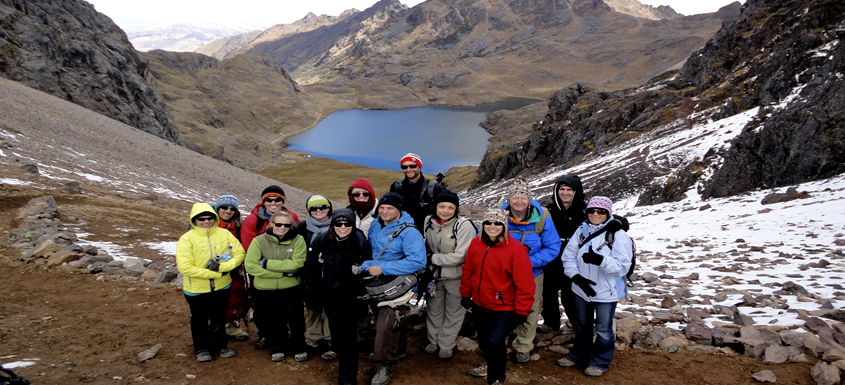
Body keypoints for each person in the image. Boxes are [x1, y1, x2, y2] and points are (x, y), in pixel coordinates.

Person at [557, 197, 632, 377]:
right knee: (582, 325)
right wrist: (576, 277)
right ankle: (579, 354)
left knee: (604, 329)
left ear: (608, 213)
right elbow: (568, 257)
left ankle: (600, 361)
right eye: (592, 211)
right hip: (582, 289)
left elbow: (623, 266)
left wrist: (601, 260)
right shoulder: (581, 231)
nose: (595, 214)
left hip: (607, 291)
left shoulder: (618, 235)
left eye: (600, 211)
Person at [461, 209, 535, 385]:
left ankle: (496, 378)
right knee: (485, 341)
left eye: (497, 223)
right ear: (482, 225)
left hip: (504, 306)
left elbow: (525, 284)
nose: (492, 226)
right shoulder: (476, 243)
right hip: (480, 303)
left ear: (504, 226)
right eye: (488, 222)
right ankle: (490, 365)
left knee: (496, 341)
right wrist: (465, 294)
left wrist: (522, 310)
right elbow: (468, 270)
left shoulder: (516, 250)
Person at [360, 192, 426, 385]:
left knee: (386, 322)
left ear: (399, 210)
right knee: (393, 319)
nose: (385, 211)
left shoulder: (409, 232)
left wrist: (383, 267)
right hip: (376, 282)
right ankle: (399, 349)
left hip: (398, 283)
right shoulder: (375, 224)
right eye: (382, 207)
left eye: (390, 208)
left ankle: (385, 364)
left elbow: (418, 261)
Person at [304, 209, 373, 385]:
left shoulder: (360, 242)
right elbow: (311, 267)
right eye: (338, 223)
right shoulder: (322, 241)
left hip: (350, 297)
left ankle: (347, 378)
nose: (343, 227)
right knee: (335, 327)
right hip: (328, 295)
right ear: (333, 225)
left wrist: (360, 294)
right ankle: (337, 349)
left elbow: (366, 270)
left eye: (347, 223)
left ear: (353, 224)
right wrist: (312, 293)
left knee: (348, 336)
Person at [499, 177, 561, 363]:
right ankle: (498, 341)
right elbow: (488, 241)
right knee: (501, 305)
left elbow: (553, 247)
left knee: (531, 308)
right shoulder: (499, 216)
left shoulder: (542, 218)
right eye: (515, 197)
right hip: (504, 273)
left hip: (532, 273)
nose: (519, 201)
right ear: (509, 200)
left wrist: (527, 261)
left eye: (523, 197)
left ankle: (523, 346)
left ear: (529, 200)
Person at [175, 203, 246, 362]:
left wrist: (222, 267)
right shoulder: (187, 239)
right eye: (201, 219)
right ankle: (201, 348)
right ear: (194, 220)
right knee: (199, 318)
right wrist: (215, 273)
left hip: (222, 286)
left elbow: (239, 253)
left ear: (214, 218)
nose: (206, 221)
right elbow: (185, 267)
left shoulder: (224, 234)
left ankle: (221, 345)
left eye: (209, 218)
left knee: (218, 316)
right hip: (196, 289)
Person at [244, 211, 309, 363]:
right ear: (271, 224)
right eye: (278, 224)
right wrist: (280, 274)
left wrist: (267, 263)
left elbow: (297, 264)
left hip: (291, 288)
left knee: (296, 319)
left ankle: (298, 347)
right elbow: (251, 266)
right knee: (273, 319)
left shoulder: (298, 240)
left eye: (287, 225)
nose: (282, 227)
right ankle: (278, 348)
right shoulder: (259, 241)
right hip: (266, 289)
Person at [241, 185, 300, 349]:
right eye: (269, 199)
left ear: (283, 201)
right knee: (261, 308)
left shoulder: (291, 217)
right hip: (263, 271)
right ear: (263, 201)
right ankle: (265, 335)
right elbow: (249, 247)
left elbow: (296, 241)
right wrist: (274, 268)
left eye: (277, 199)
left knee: (285, 307)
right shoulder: (252, 220)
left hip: (282, 269)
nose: (273, 202)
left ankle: (283, 335)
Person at [421, 190, 475, 360]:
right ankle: (433, 341)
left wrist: (432, 259)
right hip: (434, 278)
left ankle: (446, 344)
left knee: (454, 312)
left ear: (456, 209)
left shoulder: (464, 225)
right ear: (436, 206)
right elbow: (425, 245)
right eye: (442, 206)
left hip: (456, 277)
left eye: (451, 207)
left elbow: (461, 256)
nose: (446, 210)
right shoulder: (428, 221)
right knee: (434, 310)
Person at [541, 176, 586, 333]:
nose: (565, 193)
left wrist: (619, 222)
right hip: (551, 260)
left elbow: (604, 220)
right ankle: (550, 323)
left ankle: (577, 326)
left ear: (576, 191)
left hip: (574, 262)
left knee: (571, 296)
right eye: (562, 189)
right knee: (548, 293)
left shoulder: (585, 211)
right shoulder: (548, 211)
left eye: (569, 190)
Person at [295, 194, 334, 355]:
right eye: (314, 208)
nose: (319, 211)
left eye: (323, 207)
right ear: (308, 210)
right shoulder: (302, 227)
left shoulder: (338, 225)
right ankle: (313, 335)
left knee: (331, 308)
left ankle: (330, 336)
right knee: (312, 306)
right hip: (310, 273)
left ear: (329, 208)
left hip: (331, 273)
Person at [213, 193, 250, 341]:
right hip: (211, 268)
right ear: (217, 208)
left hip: (234, 268)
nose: (228, 211)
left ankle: (231, 326)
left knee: (235, 296)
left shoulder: (239, 225)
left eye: (231, 208)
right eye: (224, 207)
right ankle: (214, 327)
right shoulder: (208, 223)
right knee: (213, 300)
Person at [389, 153, 443, 233]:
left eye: (412, 166)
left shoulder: (433, 188)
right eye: (404, 167)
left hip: (427, 234)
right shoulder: (396, 187)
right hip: (401, 233)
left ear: (419, 167)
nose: (408, 169)